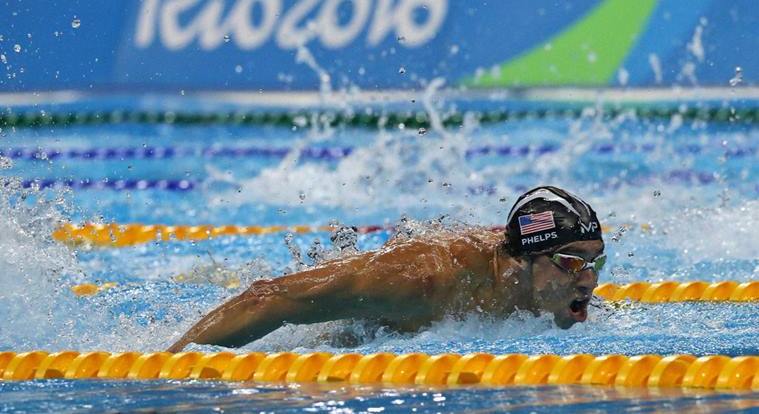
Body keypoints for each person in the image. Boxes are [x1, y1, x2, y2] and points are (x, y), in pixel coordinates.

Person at [168, 186, 605, 352]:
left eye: (594, 262)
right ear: (523, 261)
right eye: (571, 262)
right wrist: (167, 368)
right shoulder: (427, 279)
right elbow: (269, 298)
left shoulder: (551, 291)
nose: (587, 278)